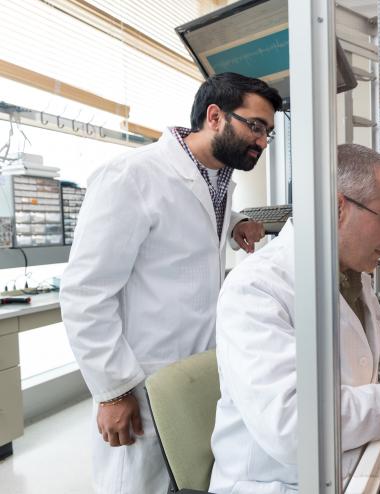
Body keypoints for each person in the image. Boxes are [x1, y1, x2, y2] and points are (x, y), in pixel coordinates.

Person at [209, 143, 380, 493]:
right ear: (339, 207)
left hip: (346, 460)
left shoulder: (347, 269)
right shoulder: (256, 287)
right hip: (280, 481)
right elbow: (292, 425)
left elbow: (377, 328)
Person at [60, 72, 282, 494]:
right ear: (215, 116)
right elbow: (85, 293)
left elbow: (181, 229)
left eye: (268, 132)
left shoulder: (217, 179)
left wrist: (234, 225)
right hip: (142, 378)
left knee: (188, 480)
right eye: (255, 126)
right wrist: (112, 391)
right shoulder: (131, 176)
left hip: (197, 371)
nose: (263, 141)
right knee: (139, 484)